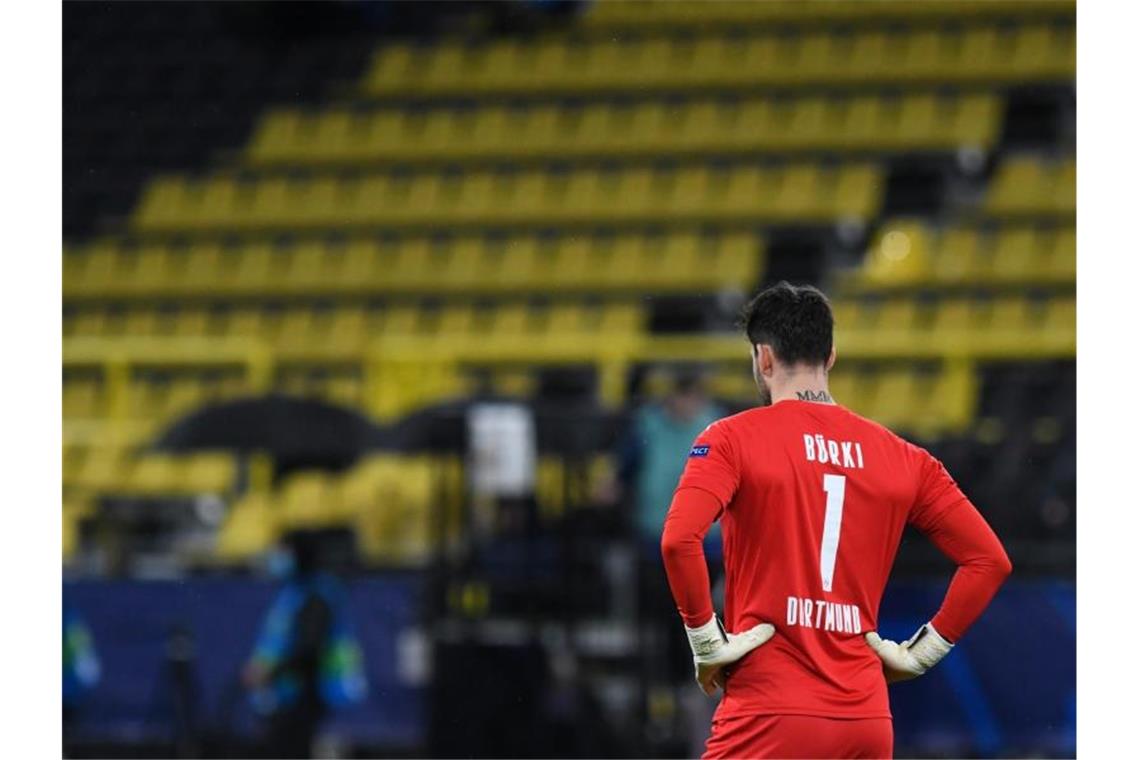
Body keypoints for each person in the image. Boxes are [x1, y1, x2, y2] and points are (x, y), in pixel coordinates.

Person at [660, 282, 1012, 759]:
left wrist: (705, 639)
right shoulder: (905, 457)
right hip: (866, 718)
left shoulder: (730, 439)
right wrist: (919, 653)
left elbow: (679, 540)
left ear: (763, 359)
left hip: (770, 712)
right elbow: (989, 561)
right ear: (831, 357)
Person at [243, 531, 367, 759]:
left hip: (307, 694)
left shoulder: (317, 595)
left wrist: (271, 672)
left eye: (283, 551)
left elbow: (309, 648)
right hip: (287, 693)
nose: (276, 557)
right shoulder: (293, 592)